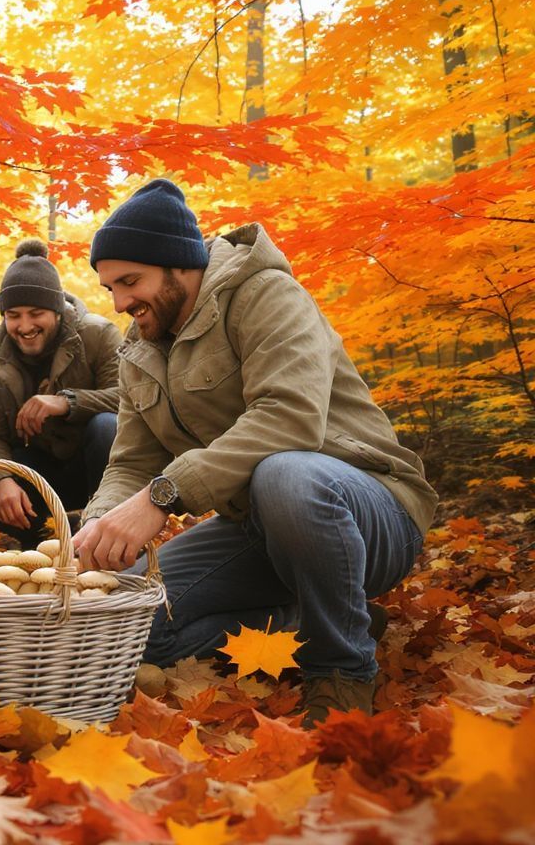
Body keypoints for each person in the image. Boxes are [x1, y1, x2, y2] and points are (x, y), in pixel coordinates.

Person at [72, 179, 438, 726]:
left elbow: (288, 418)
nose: (122, 302)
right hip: (257, 530)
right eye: (110, 289)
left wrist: (162, 497)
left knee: (286, 474)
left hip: (367, 509)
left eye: (131, 281)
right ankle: (319, 616)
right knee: (132, 623)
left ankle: (340, 670)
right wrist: (96, 538)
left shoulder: (267, 294)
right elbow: (130, 463)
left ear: (179, 267)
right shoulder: (139, 351)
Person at [0, 238, 123, 546]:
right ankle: (35, 554)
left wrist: (66, 402)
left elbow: (129, 399)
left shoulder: (98, 335)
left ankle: (109, 529)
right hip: (39, 473)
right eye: (14, 315)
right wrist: (0, 480)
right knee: (11, 464)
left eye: (36, 313)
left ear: (58, 312)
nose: (24, 325)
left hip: (94, 467)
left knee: (106, 426)